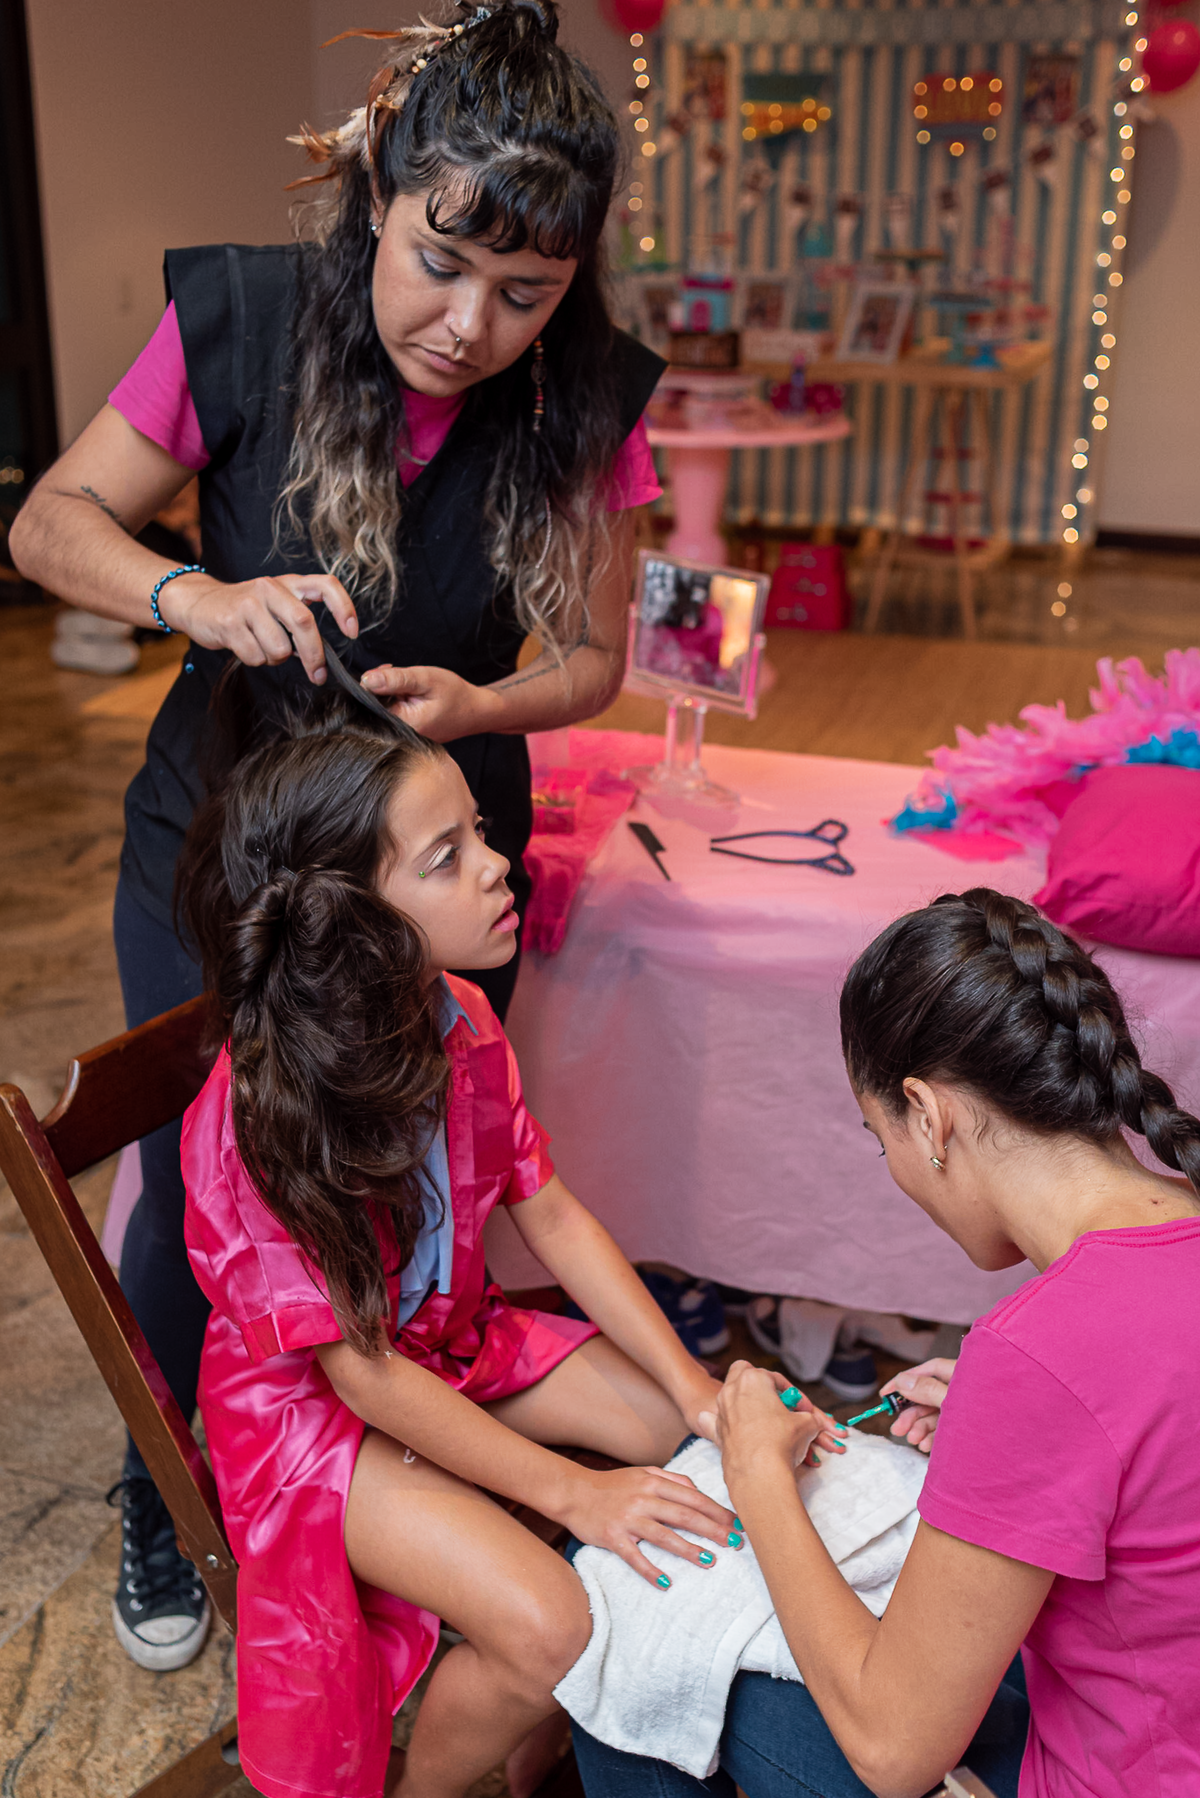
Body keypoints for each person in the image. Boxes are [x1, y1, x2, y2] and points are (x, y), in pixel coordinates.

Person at [9, 0, 665, 1669]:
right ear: (384, 186)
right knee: (209, 1181)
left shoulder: (583, 394)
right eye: (442, 263)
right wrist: (196, 594)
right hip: (225, 847)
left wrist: (486, 708)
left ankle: (390, 1472)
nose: (470, 325)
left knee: (407, 1186)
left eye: (526, 297)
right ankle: (178, 1494)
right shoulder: (241, 317)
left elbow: (596, 654)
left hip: (434, 857)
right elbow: (49, 522)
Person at [174, 693, 786, 1798]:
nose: (499, 865)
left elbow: (549, 1211)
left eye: (481, 836)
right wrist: (570, 1493)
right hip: (315, 1422)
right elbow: (356, 1371)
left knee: (686, 1436)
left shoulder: (461, 1014)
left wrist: (695, 1387)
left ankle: (545, 1737)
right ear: (349, 914)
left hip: (451, 1340)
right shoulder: (252, 1116)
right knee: (553, 1619)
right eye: (449, 856)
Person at [570, 888, 1200, 1798]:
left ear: (928, 1115)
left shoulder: (1043, 1354)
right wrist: (1012, 1440)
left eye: (881, 1141)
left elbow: (892, 1749)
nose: (896, 1168)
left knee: (641, 1623)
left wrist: (759, 1480)